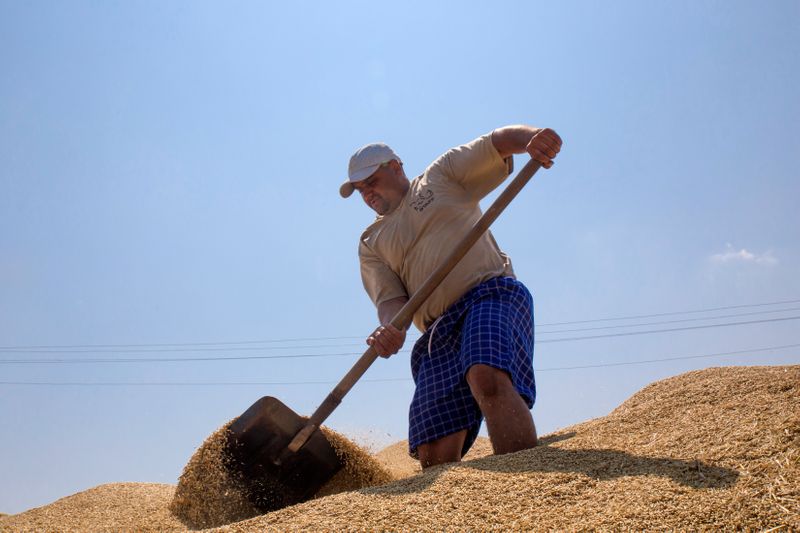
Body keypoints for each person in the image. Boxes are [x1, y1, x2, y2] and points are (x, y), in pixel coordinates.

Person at [339, 125, 562, 468]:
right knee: (434, 449)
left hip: (489, 294)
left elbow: (496, 143)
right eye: (359, 190)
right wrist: (390, 328)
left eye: (371, 181)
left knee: (485, 374)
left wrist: (531, 138)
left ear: (396, 166)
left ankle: (528, 482)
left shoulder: (439, 177)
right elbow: (389, 301)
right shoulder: (371, 241)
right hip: (438, 330)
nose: (366, 193)